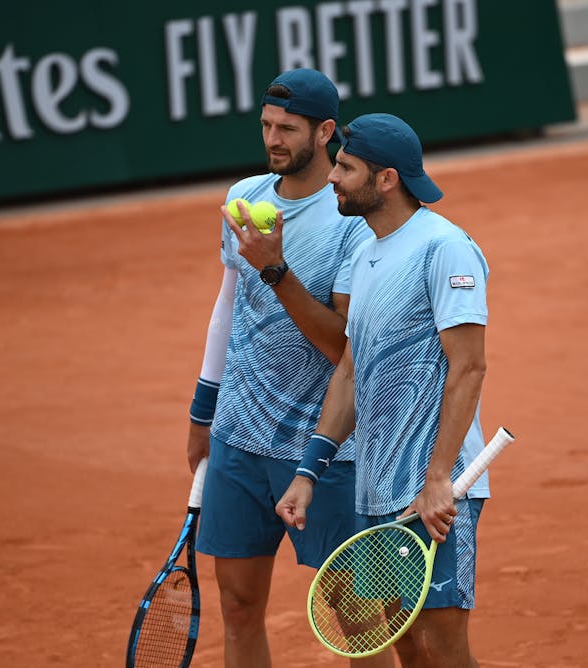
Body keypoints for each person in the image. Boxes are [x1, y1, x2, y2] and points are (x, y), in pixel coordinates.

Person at [185, 68, 388, 667]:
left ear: (325, 132)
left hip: (326, 448)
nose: (273, 139)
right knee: (239, 605)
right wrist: (203, 410)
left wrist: (277, 270)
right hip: (240, 435)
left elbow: (343, 348)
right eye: (267, 126)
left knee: (357, 617)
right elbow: (228, 307)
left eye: (288, 129)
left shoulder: (353, 220)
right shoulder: (244, 197)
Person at [276, 113, 491, 667]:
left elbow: (468, 368)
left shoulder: (444, 248)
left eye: (346, 168)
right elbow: (349, 373)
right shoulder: (367, 255)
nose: (333, 178)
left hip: (434, 491)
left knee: (445, 649)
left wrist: (440, 478)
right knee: (407, 647)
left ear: (387, 179)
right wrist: (308, 472)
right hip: (376, 488)